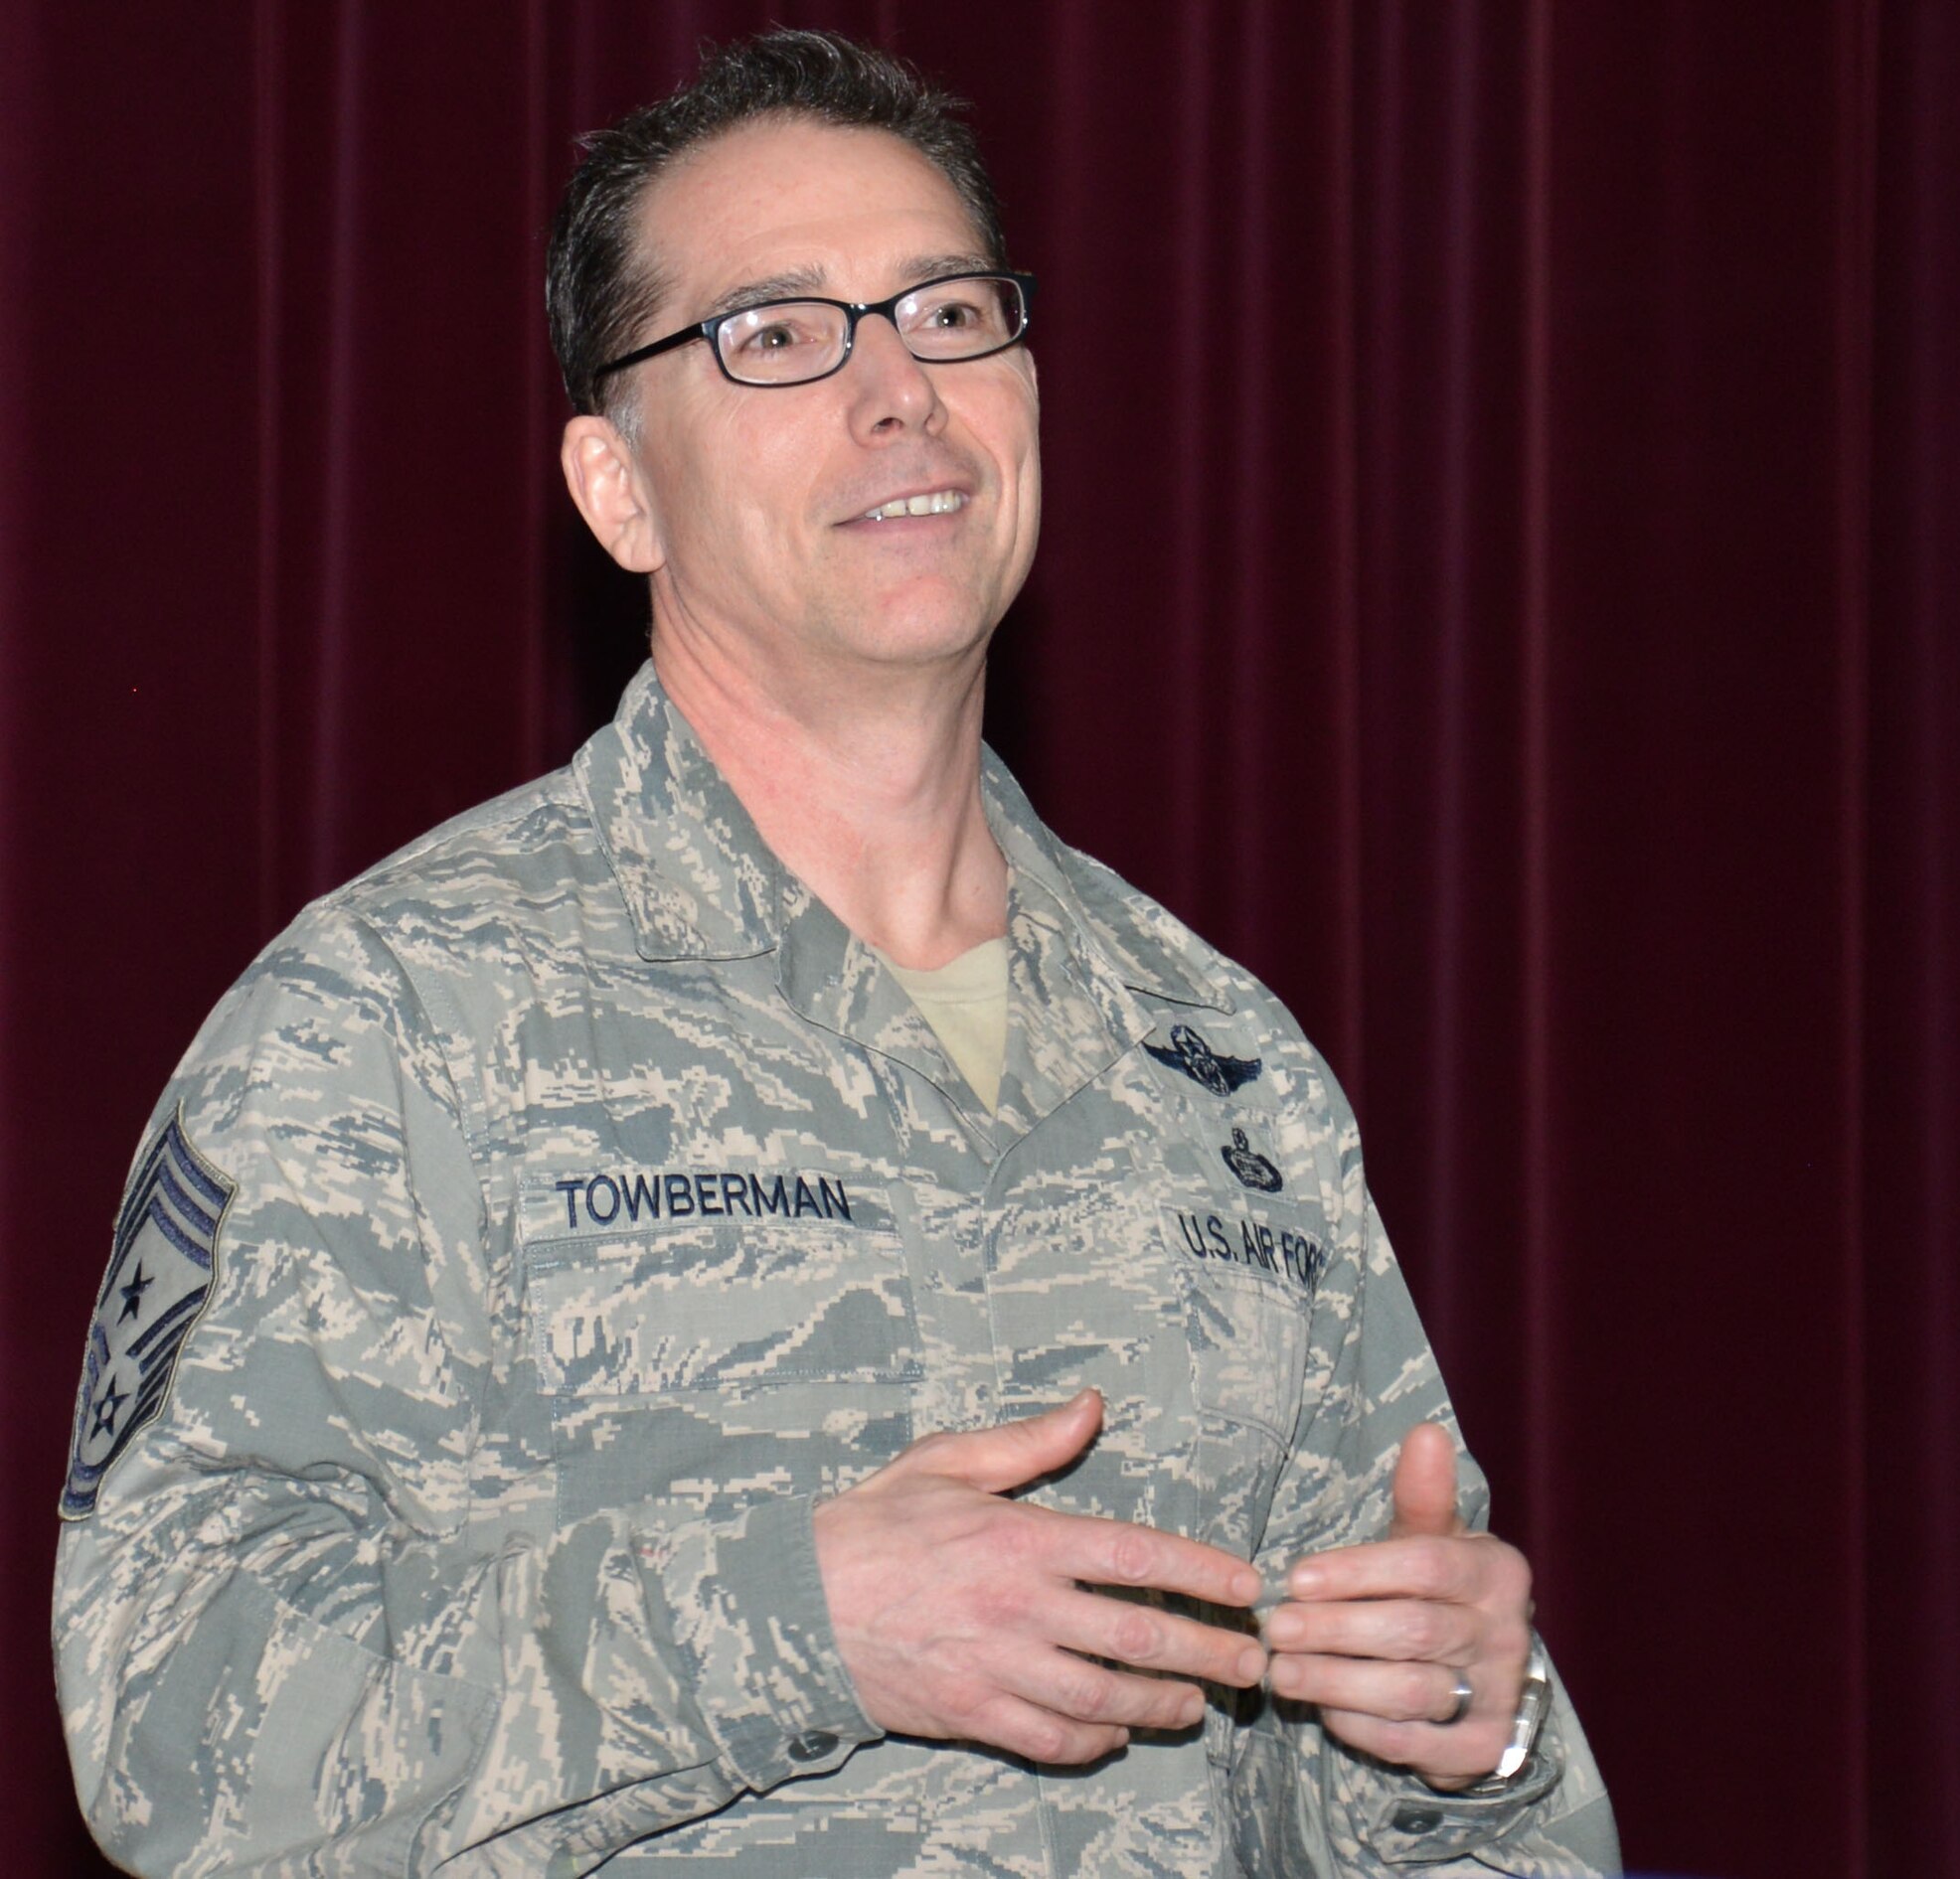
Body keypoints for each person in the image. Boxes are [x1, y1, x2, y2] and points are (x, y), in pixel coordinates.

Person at [55, 29, 1618, 1876]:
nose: (900, 392)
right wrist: (796, 1624)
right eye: (779, 337)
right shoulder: (391, 1018)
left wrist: (1477, 1731)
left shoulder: (1222, 1056)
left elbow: (1437, 1782)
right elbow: (168, 1728)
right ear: (615, 487)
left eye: (949, 313)